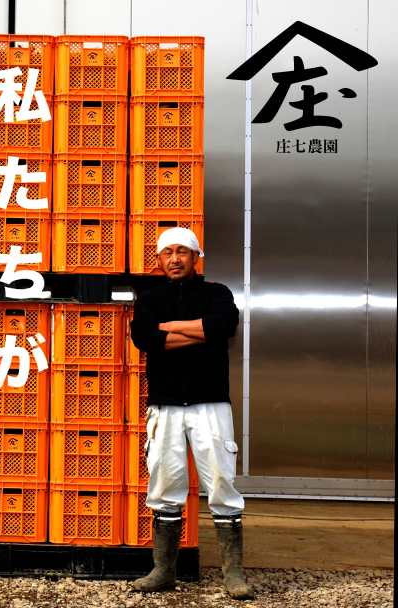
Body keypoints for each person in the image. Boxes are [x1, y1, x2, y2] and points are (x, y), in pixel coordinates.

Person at [129, 228, 253, 600]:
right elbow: (144, 337)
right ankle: (164, 570)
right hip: (164, 405)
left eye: (182, 251)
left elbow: (224, 325)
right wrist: (199, 332)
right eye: (167, 252)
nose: (175, 259)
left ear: (196, 256)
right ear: (159, 259)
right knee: (165, 485)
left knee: (221, 483)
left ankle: (233, 575)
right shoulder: (150, 297)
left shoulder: (216, 293)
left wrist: (170, 330)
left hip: (210, 403)